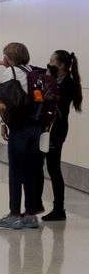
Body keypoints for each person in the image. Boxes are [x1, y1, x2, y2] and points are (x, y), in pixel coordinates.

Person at [0, 42, 44, 229]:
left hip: (19, 129)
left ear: (9, 58)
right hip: (36, 128)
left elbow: (6, 104)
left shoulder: (9, 74)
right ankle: (30, 215)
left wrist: (4, 124)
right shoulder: (34, 72)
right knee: (31, 172)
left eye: (4, 56)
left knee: (16, 172)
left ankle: (14, 214)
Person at [43, 51, 82, 221]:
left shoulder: (67, 84)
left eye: (52, 61)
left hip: (57, 130)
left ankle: (59, 209)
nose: (49, 64)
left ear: (62, 66)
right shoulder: (59, 81)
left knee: (54, 168)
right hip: (50, 128)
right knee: (50, 167)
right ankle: (56, 208)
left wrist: (49, 84)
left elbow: (57, 104)